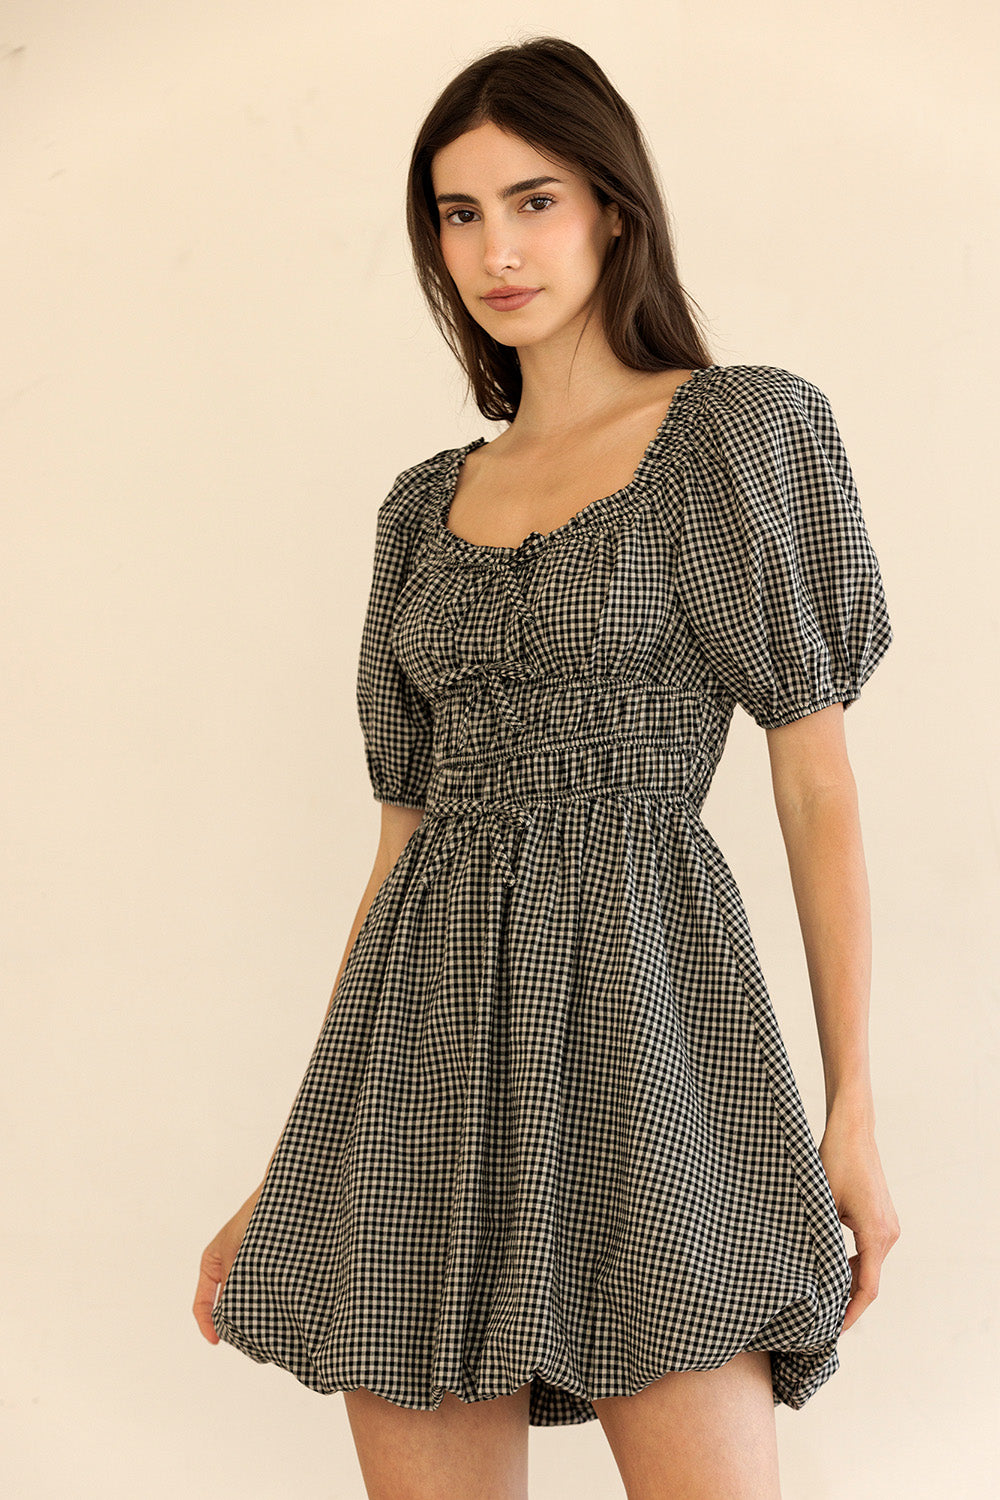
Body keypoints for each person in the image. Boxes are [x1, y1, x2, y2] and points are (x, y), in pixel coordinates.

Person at [194, 35, 900, 1500]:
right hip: (414, 1062)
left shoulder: (737, 433)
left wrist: (851, 1112)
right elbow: (398, 858)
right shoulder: (417, 511)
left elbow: (815, 787)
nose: (496, 249)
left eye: (533, 201)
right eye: (459, 215)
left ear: (612, 210)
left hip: (658, 1032)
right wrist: (302, 1156)